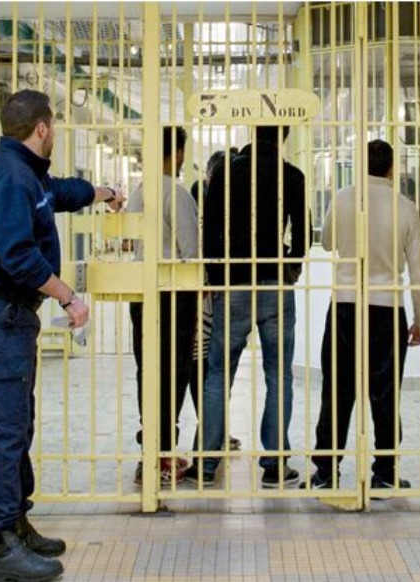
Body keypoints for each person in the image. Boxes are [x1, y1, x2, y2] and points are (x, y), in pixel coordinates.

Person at [0, 89, 123, 582]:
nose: (56, 134)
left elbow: (61, 193)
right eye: (55, 126)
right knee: (6, 430)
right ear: (42, 128)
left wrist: (104, 193)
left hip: (8, 317)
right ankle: (1, 544)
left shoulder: (27, 173)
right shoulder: (11, 178)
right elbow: (18, 257)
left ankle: (17, 524)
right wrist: (69, 297)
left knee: (17, 425)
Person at [186, 124, 311, 488]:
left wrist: (216, 276)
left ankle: (207, 463)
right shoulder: (292, 176)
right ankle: (274, 465)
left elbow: (210, 231)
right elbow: (303, 233)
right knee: (278, 375)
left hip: (235, 281)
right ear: (284, 136)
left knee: (217, 374)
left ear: (253, 133)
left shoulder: (226, 172)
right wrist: (290, 268)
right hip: (274, 282)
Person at [304, 139, 420, 491]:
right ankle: (385, 472)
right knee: (385, 394)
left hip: (345, 304)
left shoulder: (343, 198)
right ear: (391, 167)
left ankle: (326, 471)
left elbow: (327, 242)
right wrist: (419, 319)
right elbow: (418, 271)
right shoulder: (406, 207)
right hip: (388, 308)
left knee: (337, 390)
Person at [127, 126, 199, 486]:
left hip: (142, 292)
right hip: (174, 293)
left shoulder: (139, 193)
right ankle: (164, 452)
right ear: (179, 153)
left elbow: (131, 242)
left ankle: (150, 451)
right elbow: (191, 251)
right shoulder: (177, 193)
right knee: (174, 370)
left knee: (148, 370)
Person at [188, 147, 241, 453]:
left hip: (210, 290)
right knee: (205, 364)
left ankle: (213, 432)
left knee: (208, 364)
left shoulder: (211, 197)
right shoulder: (203, 197)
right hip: (204, 291)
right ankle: (211, 434)